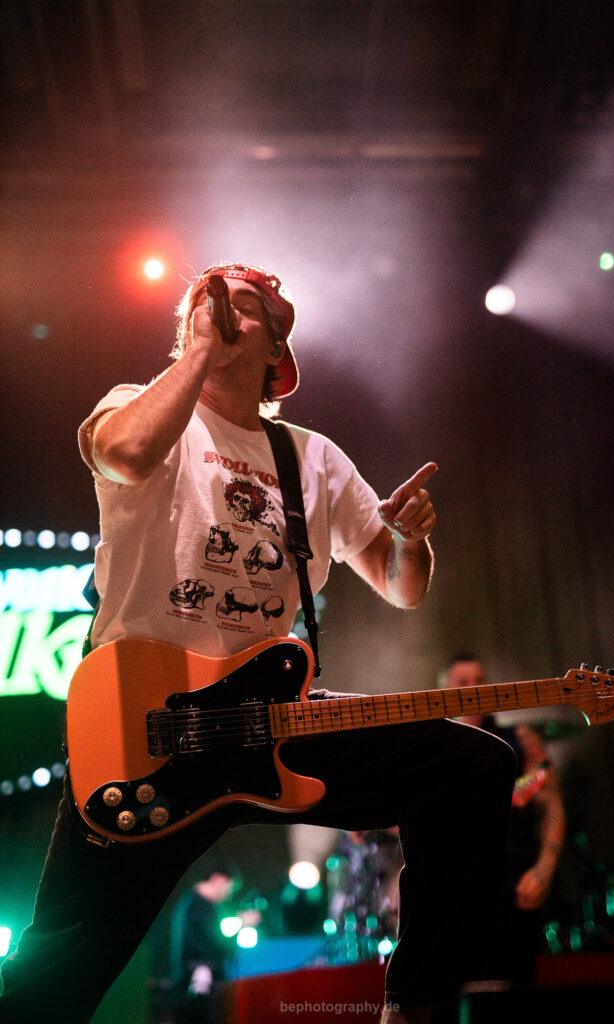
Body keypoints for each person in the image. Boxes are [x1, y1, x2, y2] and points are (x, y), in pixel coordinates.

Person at [0, 262, 515, 1024]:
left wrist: (411, 542)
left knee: (471, 765)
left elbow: (401, 585)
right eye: (203, 305)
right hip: (145, 732)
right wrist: (201, 353)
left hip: (264, 723)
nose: (217, 312)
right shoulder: (133, 408)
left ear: (277, 348)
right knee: (56, 978)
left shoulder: (312, 458)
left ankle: (415, 1006)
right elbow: (128, 455)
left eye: (239, 305)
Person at [444, 653, 566, 986]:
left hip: (514, 884)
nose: (473, 688)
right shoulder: (436, 746)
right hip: (454, 893)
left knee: (515, 989)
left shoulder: (519, 739)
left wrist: (544, 869)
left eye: (480, 680)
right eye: (462, 682)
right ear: (443, 690)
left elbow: (551, 806)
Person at [170, 866, 236, 1024]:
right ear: (218, 879)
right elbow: (212, 942)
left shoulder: (191, 903)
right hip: (201, 979)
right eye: (229, 887)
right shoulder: (200, 905)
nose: (229, 894)